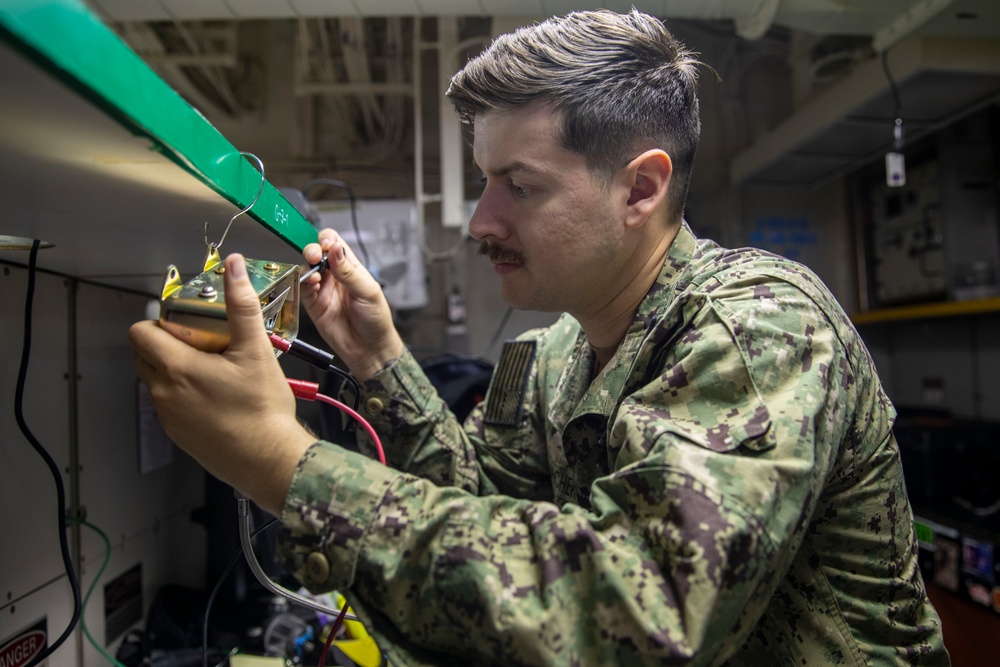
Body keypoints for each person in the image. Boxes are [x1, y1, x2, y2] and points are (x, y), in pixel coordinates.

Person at [129, 9, 950, 666]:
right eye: (486, 181)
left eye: (519, 185)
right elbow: (489, 506)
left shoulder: (758, 323)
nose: (482, 220)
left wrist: (282, 463)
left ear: (642, 187)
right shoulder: (551, 351)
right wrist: (378, 358)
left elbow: (642, 614)